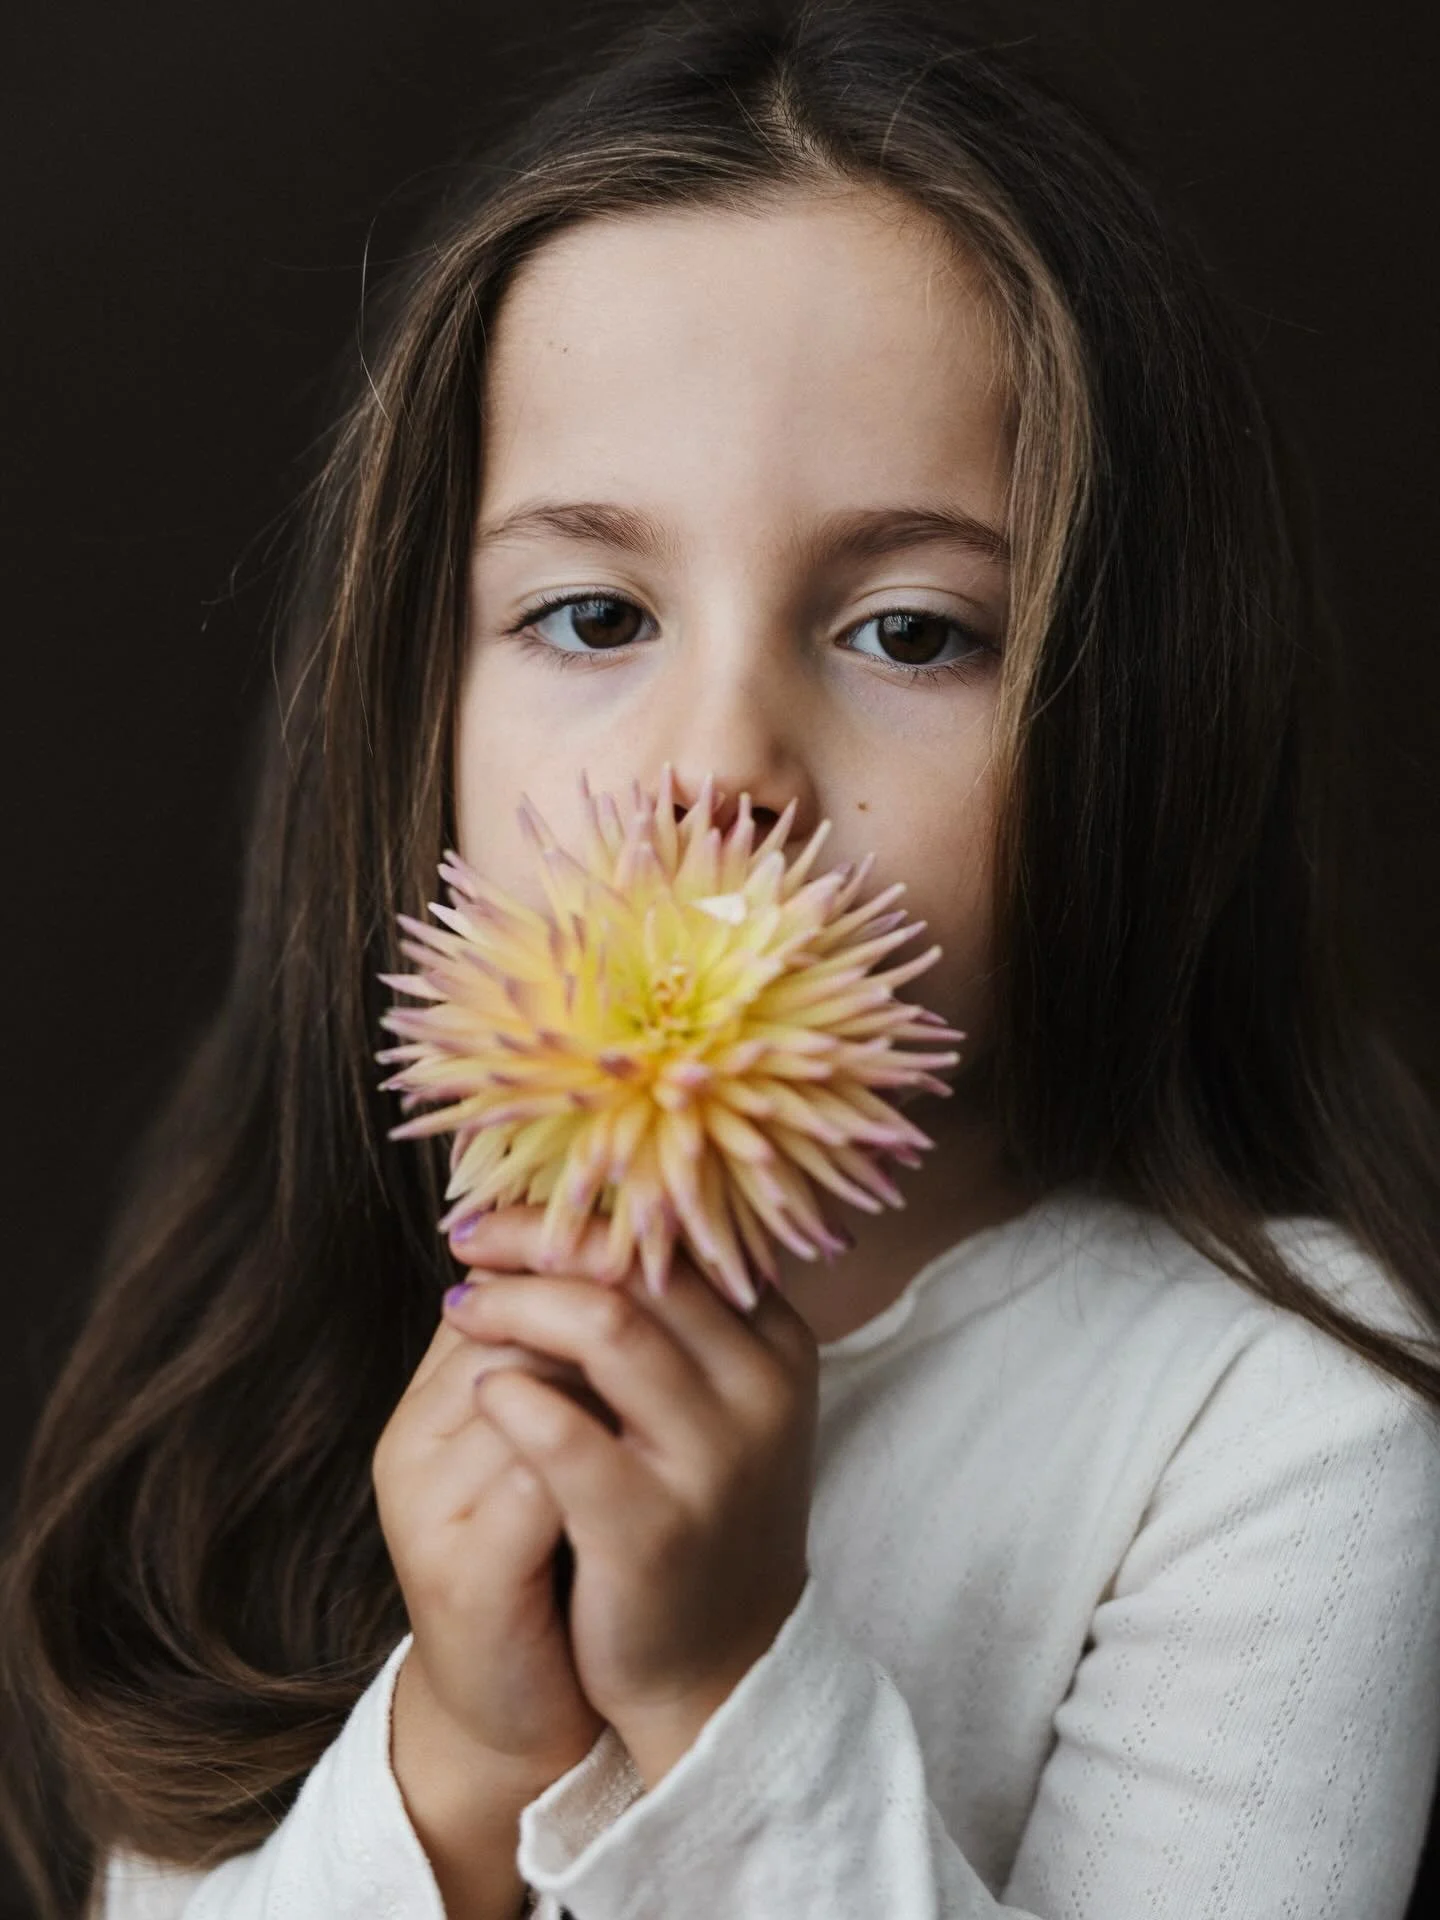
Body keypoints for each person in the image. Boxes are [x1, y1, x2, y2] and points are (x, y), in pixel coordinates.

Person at [5, 1, 1440, 1915]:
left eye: (913, 634)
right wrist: (463, 1761)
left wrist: (716, 1695)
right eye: (594, 613)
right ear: (418, 717)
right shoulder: (288, 1361)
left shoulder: (1285, 1425)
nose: (716, 772)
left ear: (1139, 719)